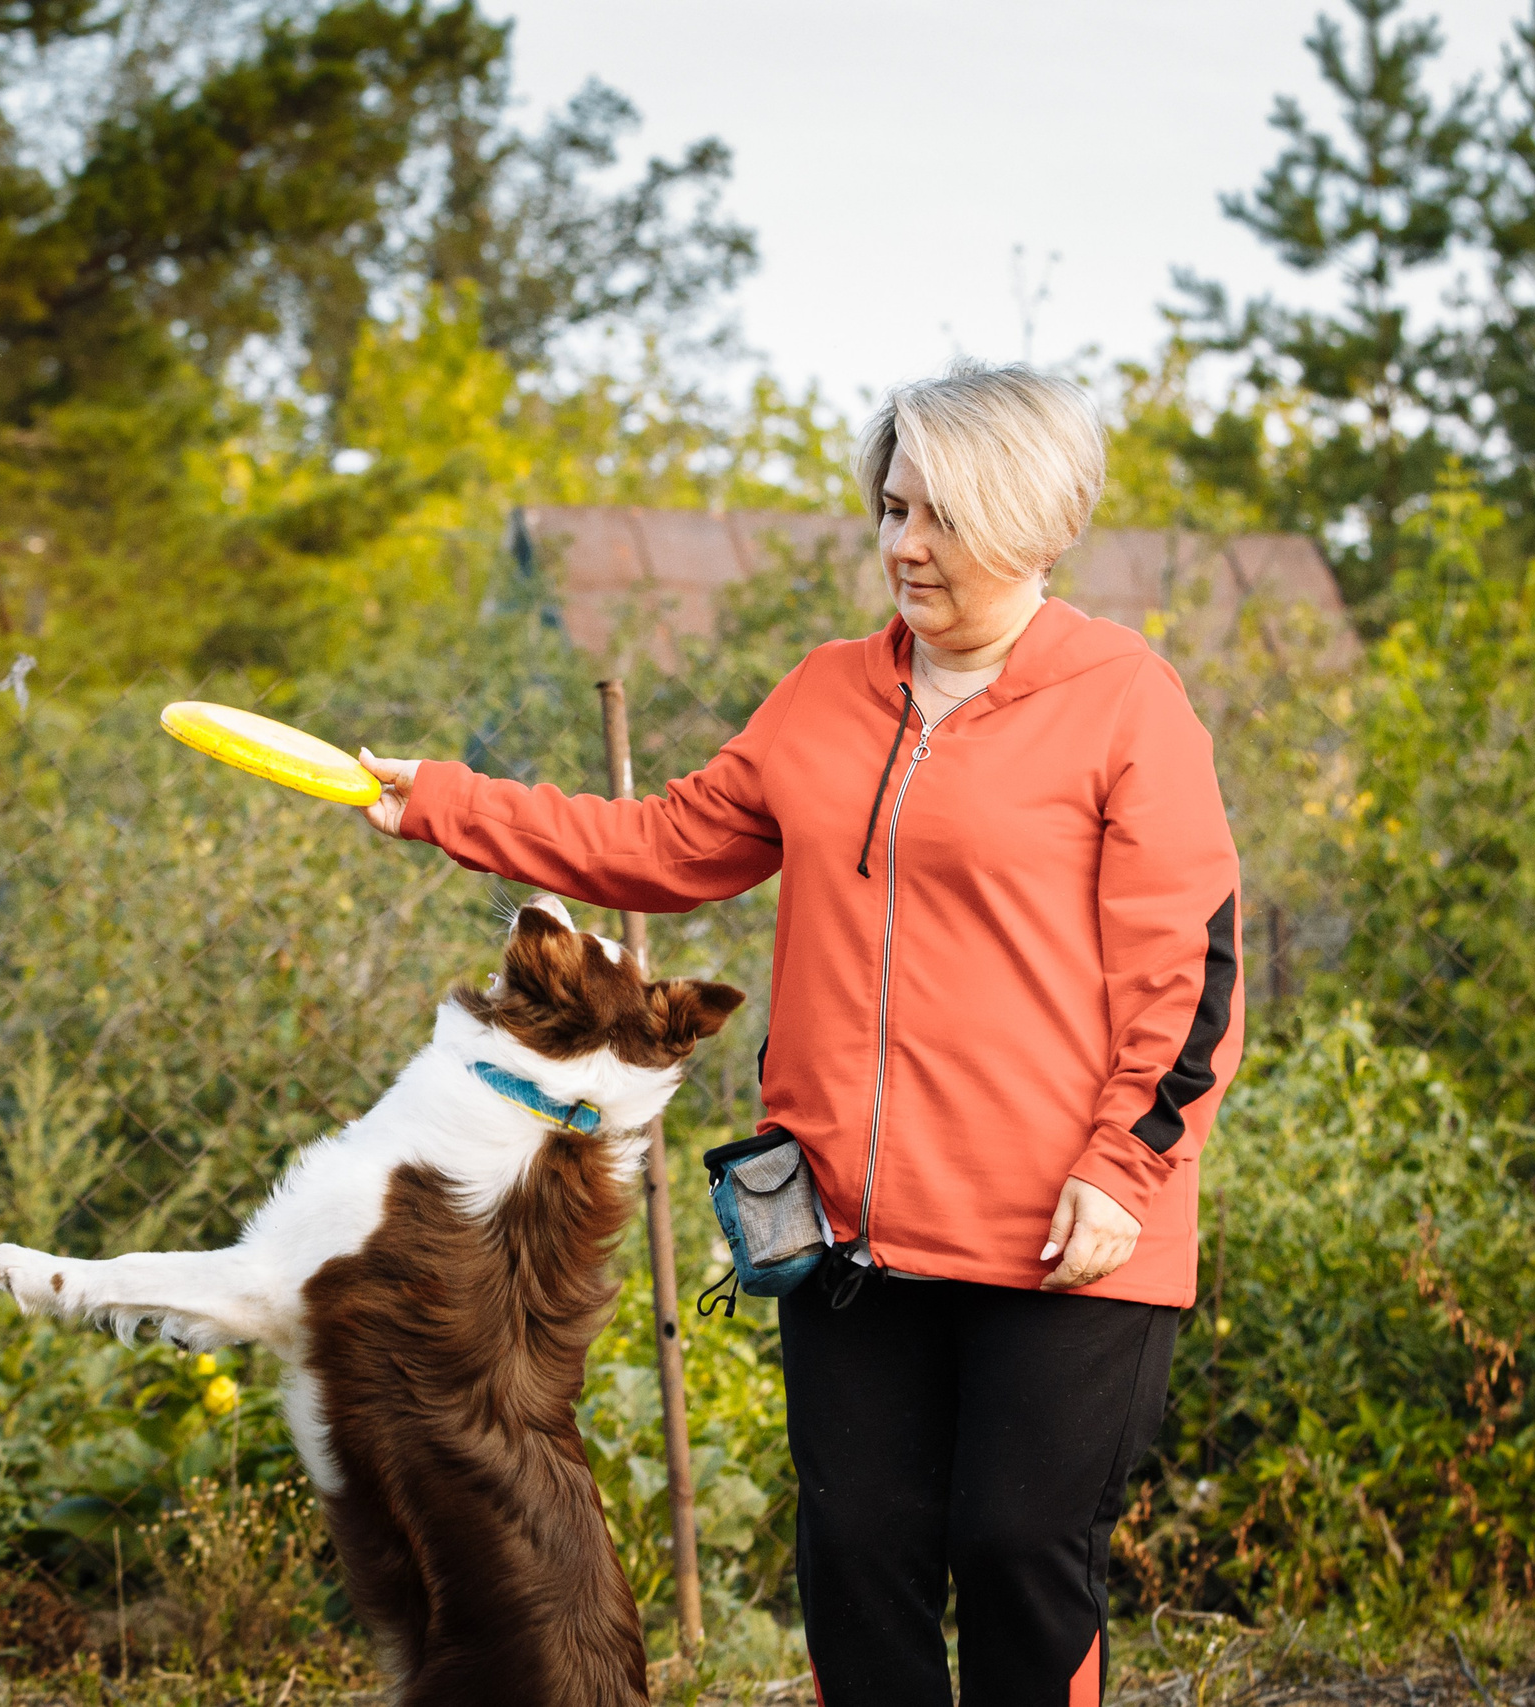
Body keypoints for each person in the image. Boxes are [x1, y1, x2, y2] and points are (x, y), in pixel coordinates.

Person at [356, 359, 1243, 1707]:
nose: (904, 546)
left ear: (1030, 520)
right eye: (892, 510)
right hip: (847, 1228)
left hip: (1070, 1232)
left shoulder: (1126, 702)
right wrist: (441, 801)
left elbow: (1190, 975)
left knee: (1014, 1549)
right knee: (859, 1557)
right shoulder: (827, 694)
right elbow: (655, 845)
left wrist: (1124, 1172)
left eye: (937, 516)